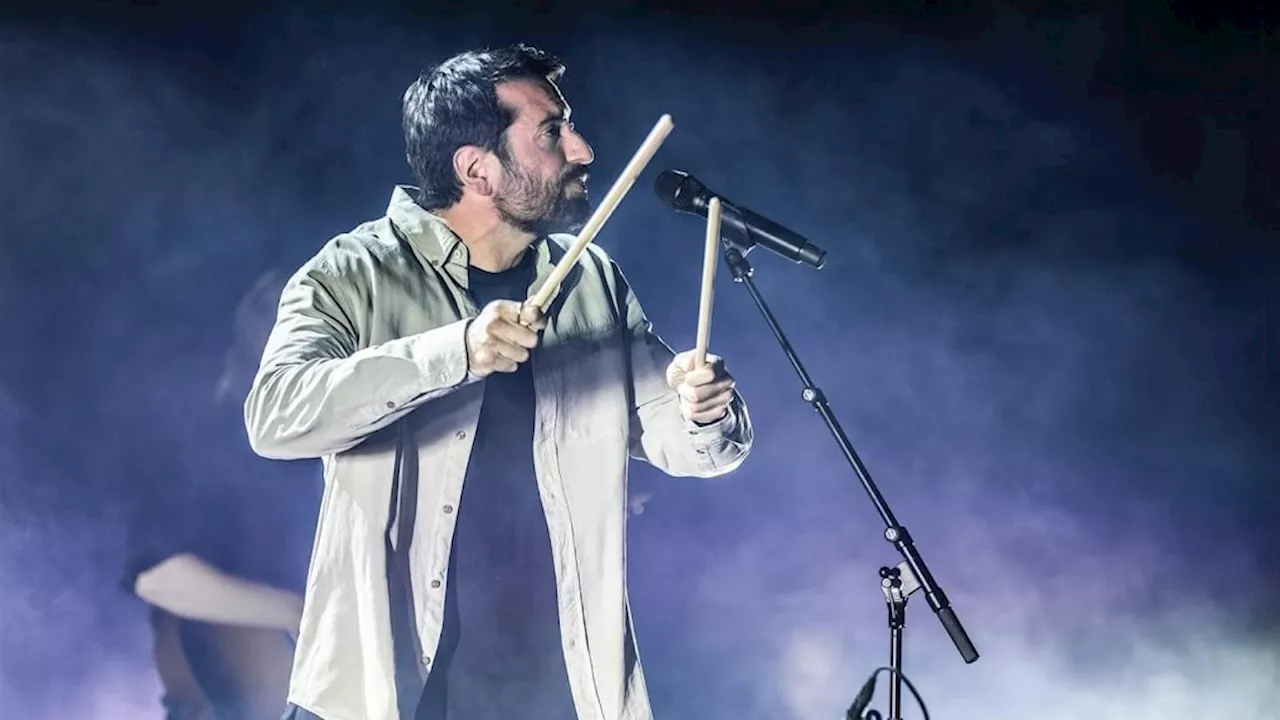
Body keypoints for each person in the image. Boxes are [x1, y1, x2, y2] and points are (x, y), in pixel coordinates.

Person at [244, 43, 753, 720]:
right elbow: (275, 417)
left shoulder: (590, 278)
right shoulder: (353, 272)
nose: (583, 149)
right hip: (383, 693)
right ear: (476, 169)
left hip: (559, 690)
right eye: (553, 132)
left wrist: (702, 409)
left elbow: (685, 443)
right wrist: (455, 350)